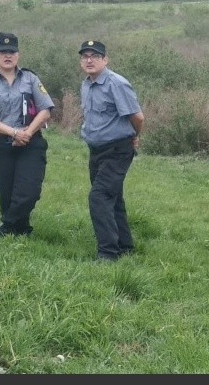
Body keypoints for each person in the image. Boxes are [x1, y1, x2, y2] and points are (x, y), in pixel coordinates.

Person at [78, 40, 145, 261]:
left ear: (105, 60)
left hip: (117, 150)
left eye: (95, 56)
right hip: (96, 150)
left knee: (99, 197)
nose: (89, 60)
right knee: (112, 198)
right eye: (85, 56)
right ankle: (125, 245)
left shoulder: (117, 83)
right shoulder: (86, 85)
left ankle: (108, 253)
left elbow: (137, 117)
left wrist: (134, 137)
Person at [0, 32, 55, 237]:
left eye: (12, 52)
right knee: (7, 192)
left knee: (29, 191)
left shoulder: (30, 78)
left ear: (18, 55)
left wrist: (27, 132)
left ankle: (6, 225)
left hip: (31, 143)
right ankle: (20, 231)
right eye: (2, 51)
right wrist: (13, 132)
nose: (7, 55)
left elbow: (46, 109)